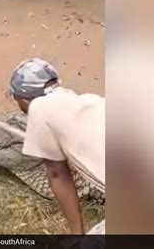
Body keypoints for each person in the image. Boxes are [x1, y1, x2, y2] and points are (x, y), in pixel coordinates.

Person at [8, 58, 105, 235]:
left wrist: (77, 235)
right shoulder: (94, 100)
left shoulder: (38, 108)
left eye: (16, 100)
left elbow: (56, 173)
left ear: (24, 99)